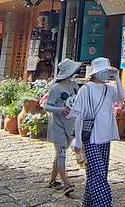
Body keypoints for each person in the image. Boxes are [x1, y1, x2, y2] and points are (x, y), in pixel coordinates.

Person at [73, 57, 125, 207]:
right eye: (103, 71)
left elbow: (121, 97)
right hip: (91, 137)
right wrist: (78, 141)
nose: (105, 74)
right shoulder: (86, 89)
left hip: (105, 136)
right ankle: (104, 204)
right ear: (95, 73)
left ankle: (88, 203)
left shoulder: (109, 89)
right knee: (99, 174)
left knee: (96, 173)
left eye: (107, 71)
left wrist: (117, 77)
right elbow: (79, 115)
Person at [44, 58, 81, 196]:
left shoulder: (74, 85)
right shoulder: (56, 88)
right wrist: (60, 110)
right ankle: (67, 183)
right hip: (58, 125)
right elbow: (47, 106)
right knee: (61, 153)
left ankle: (52, 180)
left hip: (70, 125)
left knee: (60, 153)